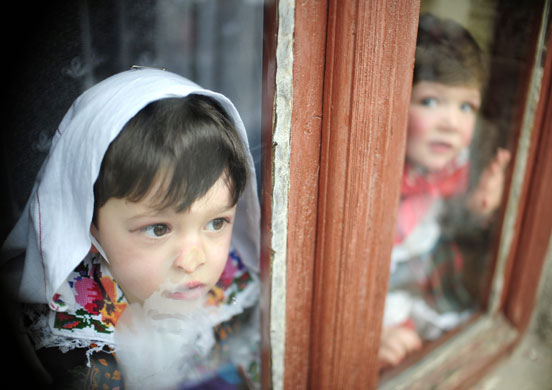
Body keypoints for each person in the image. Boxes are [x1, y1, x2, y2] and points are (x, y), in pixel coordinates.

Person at [1, 68, 260, 389]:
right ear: (90, 223)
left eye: (217, 223)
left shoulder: (233, 291)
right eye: (158, 229)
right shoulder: (69, 342)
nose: (193, 261)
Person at [379, 14, 511, 369]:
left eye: (466, 106)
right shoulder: (377, 175)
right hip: (377, 291)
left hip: (420, 277)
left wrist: (479, 209)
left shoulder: (459, 164)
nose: (452, 123)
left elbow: (454, 227)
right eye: (431, 102)